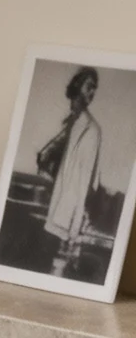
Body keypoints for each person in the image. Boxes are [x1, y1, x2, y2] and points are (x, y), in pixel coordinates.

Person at [37, 65, 103, 260]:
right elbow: (45, 160)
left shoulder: (91, 130)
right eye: (89, 86)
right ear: (77, 85)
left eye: (94, 89)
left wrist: (74, 229)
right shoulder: (67, 122)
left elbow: (85, 183)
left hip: (63, 219)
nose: (92, 93)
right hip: (49, 206)